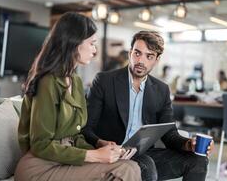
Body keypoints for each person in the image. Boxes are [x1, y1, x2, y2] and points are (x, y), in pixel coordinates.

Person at [14, 12, 141, 181]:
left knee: (129, 166)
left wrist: (99, 145)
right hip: (40, 167)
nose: (95, 50)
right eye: (92, 44)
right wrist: (95, 156)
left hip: (65, 162)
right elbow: (40, 145)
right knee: (125, 170)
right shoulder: (48, 82)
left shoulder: (76, 81)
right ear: (74, 43)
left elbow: (73, 136)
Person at [82, 31, 214, 181]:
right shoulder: (105, 81)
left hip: (144, 154)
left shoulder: (161, 90)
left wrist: (188, 144)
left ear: (157, 60)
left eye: (149, 56)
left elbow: (169, 133)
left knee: (198, 160)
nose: (141, 61)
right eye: (137, 53)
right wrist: (100, 143)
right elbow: (86, 127)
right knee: (146, 164)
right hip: (112, 154)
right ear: (130, 53)